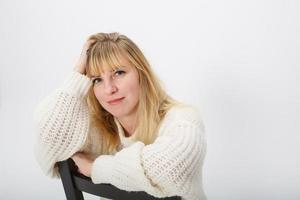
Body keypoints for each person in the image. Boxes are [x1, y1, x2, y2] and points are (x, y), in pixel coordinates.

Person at [33, 32, 207, 200]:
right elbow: (47, 141)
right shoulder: (98, 130)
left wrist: (96, 168)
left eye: (119, 73)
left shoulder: (183, 118)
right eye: (97, 80)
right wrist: (78, 72)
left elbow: (169, 168)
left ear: (142, 74)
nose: (109, 89)